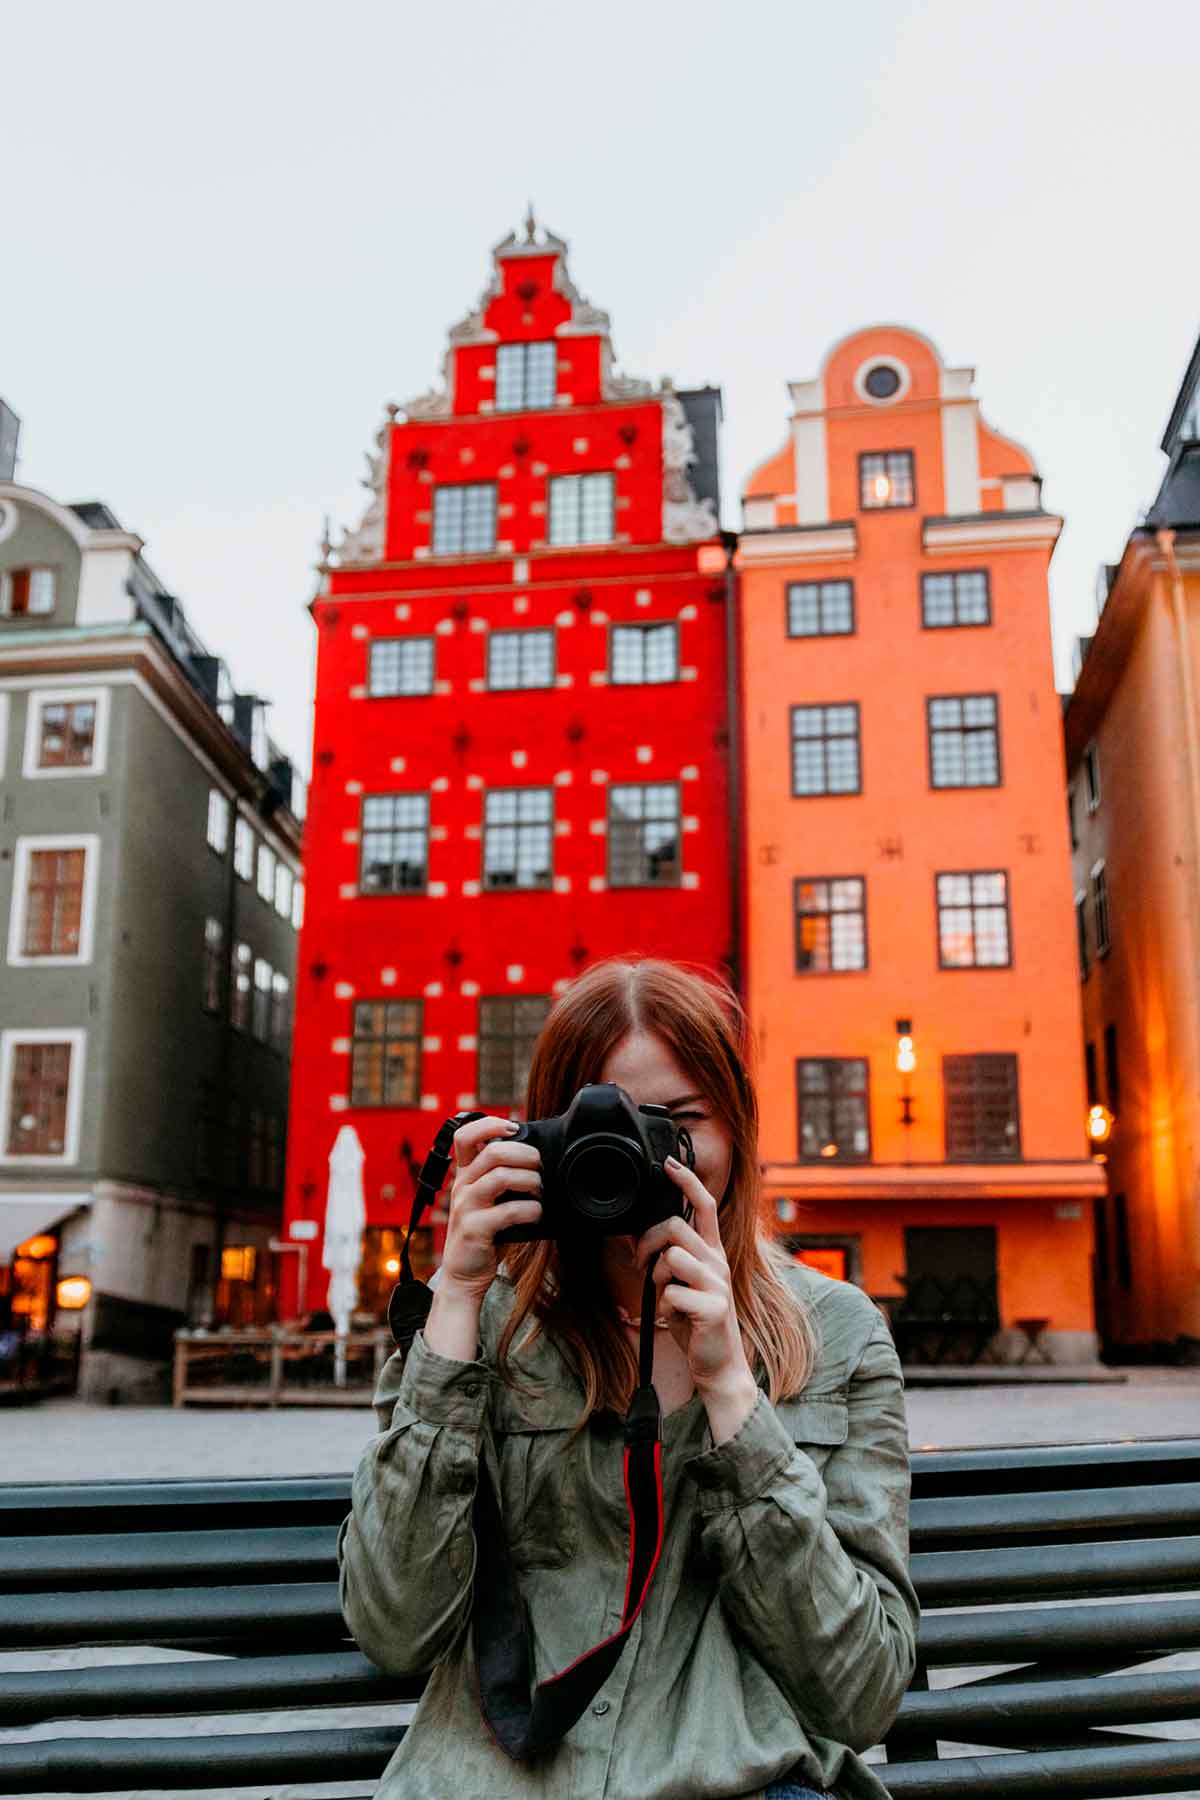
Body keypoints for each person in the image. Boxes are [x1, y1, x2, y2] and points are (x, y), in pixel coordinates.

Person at [338, 958, 918, 1799]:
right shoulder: (475, 1330)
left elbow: (862, 1693)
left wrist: (731, 1394)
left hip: (737, 1784)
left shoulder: (838, 1336)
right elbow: (395, 1630)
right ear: (536, 1141)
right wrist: (457, 1300)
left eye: (677, 1121)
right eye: (594, 1129)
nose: (632, 1157)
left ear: (739, 1129)